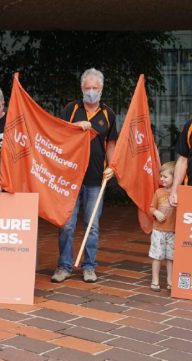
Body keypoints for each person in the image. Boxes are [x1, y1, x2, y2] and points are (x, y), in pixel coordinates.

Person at [52, 68, 117, 283]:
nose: (91, 92)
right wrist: (74, 126)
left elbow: (111, 144)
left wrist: (112, 166)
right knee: (66, 224)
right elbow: (58, 135)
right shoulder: (71, 109)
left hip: (96, 179)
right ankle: (64, 266)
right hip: (69, 179)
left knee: (93, 225)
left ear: (102, 89)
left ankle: (89, 266)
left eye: (95, 88)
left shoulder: (108, 114)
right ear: (81, 88)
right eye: (87, 88)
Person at [149, 161, 176, 292]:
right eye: (161, 176)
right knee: (157, 256)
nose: (162, 179)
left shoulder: (179, 193)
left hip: (173, 231)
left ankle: (170, 281)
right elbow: (151, 207)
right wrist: (156, 212)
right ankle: (155, 280)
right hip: (158, 230)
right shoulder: (159, 192)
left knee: (171, 257)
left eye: (166, 176)